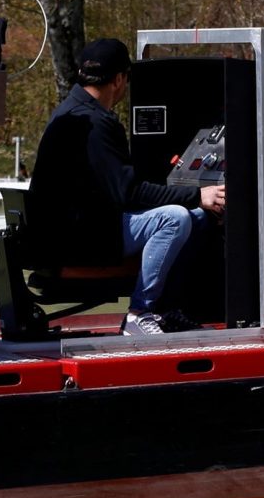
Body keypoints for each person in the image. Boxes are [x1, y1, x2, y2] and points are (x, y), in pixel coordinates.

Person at [29, 38, 226, 335]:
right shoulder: (93, 123)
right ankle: (139, 313)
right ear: (119, 79)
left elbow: (121, 190)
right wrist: (198, 194)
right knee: (176, 219)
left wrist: (191, 200)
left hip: (70, 231)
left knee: (196, 219)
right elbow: (129, 193)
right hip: (81, 239)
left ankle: (165, 309)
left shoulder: (70, 112)